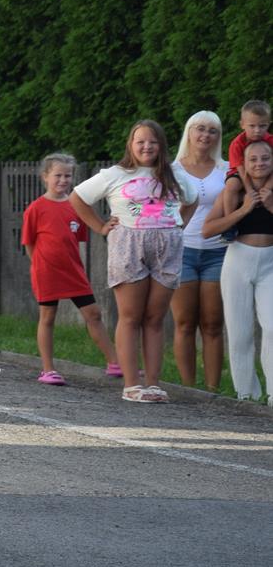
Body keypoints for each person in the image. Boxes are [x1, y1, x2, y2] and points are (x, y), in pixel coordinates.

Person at [71, 120, 198, 404]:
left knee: (154, 318)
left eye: (152, 141)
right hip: (129, 245)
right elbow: (77, 197)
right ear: (131, 144)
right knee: (130, 316)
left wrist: (179, 225)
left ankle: (153, 384)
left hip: (167, 246)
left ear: (161, 145)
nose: (147, 146)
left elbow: (193, 199)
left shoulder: (174, 174)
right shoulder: (116, 174)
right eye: (140, 141)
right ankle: (132, 384)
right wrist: (100, 226)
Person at [21, 153, 118, 385]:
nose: (63, 180)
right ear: (45, 177)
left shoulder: (76, 207)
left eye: (67, 176)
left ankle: (115, 363)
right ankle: (48, 369)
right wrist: (40, 266)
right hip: (46, 272)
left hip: (73, 271)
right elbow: (29, 245)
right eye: (58, 175)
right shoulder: (36, 209)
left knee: (93, 314)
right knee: (48, 316)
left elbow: (77, 240)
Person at [202, 140, 273, 402]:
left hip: (270, 262)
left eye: (265, 158)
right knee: (240, 331)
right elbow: (208, 229)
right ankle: (246, 393)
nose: (260, 164)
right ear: (243, 163)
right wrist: (244, 209)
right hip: (238, 261)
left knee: (272, 327)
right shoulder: (233, 190)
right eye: (253, 159)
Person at [171, 111, 229, 392]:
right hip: (182, 252)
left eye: (213, 131)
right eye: (200, 129)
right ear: (189, 132)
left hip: (219, 252)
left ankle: (213, 390)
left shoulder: (227, 169)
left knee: (213, 323)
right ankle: (188, 388)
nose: (206, 135)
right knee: (184, 323)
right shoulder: (171, 170)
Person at [227, 100, 270, 173]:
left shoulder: (271, 140)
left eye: (262, 126)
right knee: (232, 183)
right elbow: (240, 169)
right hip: (241, 173)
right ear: (242, 125)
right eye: (252, 126)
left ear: (269, 124)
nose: (257, 130)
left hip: (266, 171)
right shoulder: (237, 144)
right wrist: (248, 185)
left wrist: (267, 184)